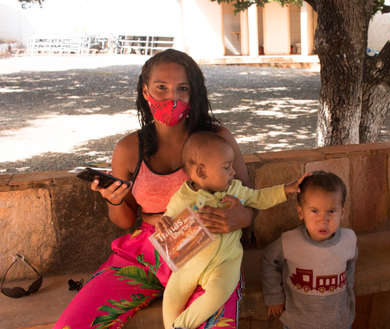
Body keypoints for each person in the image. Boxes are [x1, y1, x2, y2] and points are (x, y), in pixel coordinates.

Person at [53, 49, 255, 329]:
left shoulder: (215, 138)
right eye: (162, 87)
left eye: (182, 89)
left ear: (193, 93)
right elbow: (124, 221)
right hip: (146, 250)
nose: (172, 98)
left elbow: (249, 200)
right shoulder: (128, 149)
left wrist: (240, 217)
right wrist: (115, 200)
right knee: (74, 324)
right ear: (146, 91)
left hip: (209, 251)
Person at [157, 131, 307, 329]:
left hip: (224, 264)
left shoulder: (236, 190)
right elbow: (168, 219)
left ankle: (181, 326)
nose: (233, 173)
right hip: (190, 263)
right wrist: (164, 222)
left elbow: (259, 197)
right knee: (171, 296)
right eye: (227, 167)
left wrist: (286, 189)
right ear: (201, 172)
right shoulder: (183, 197)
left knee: (219, 293)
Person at [262, 171, 358, 329]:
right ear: (301, 212)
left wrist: (348, 291)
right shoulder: (289, 241)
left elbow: (350, 267)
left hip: (338, 321)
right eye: (315, 211)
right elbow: (269, 261)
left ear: (342, 212)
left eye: (332, 211)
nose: (323, 220)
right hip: (298, 322)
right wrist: (274, 297)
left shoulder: (349, 239)